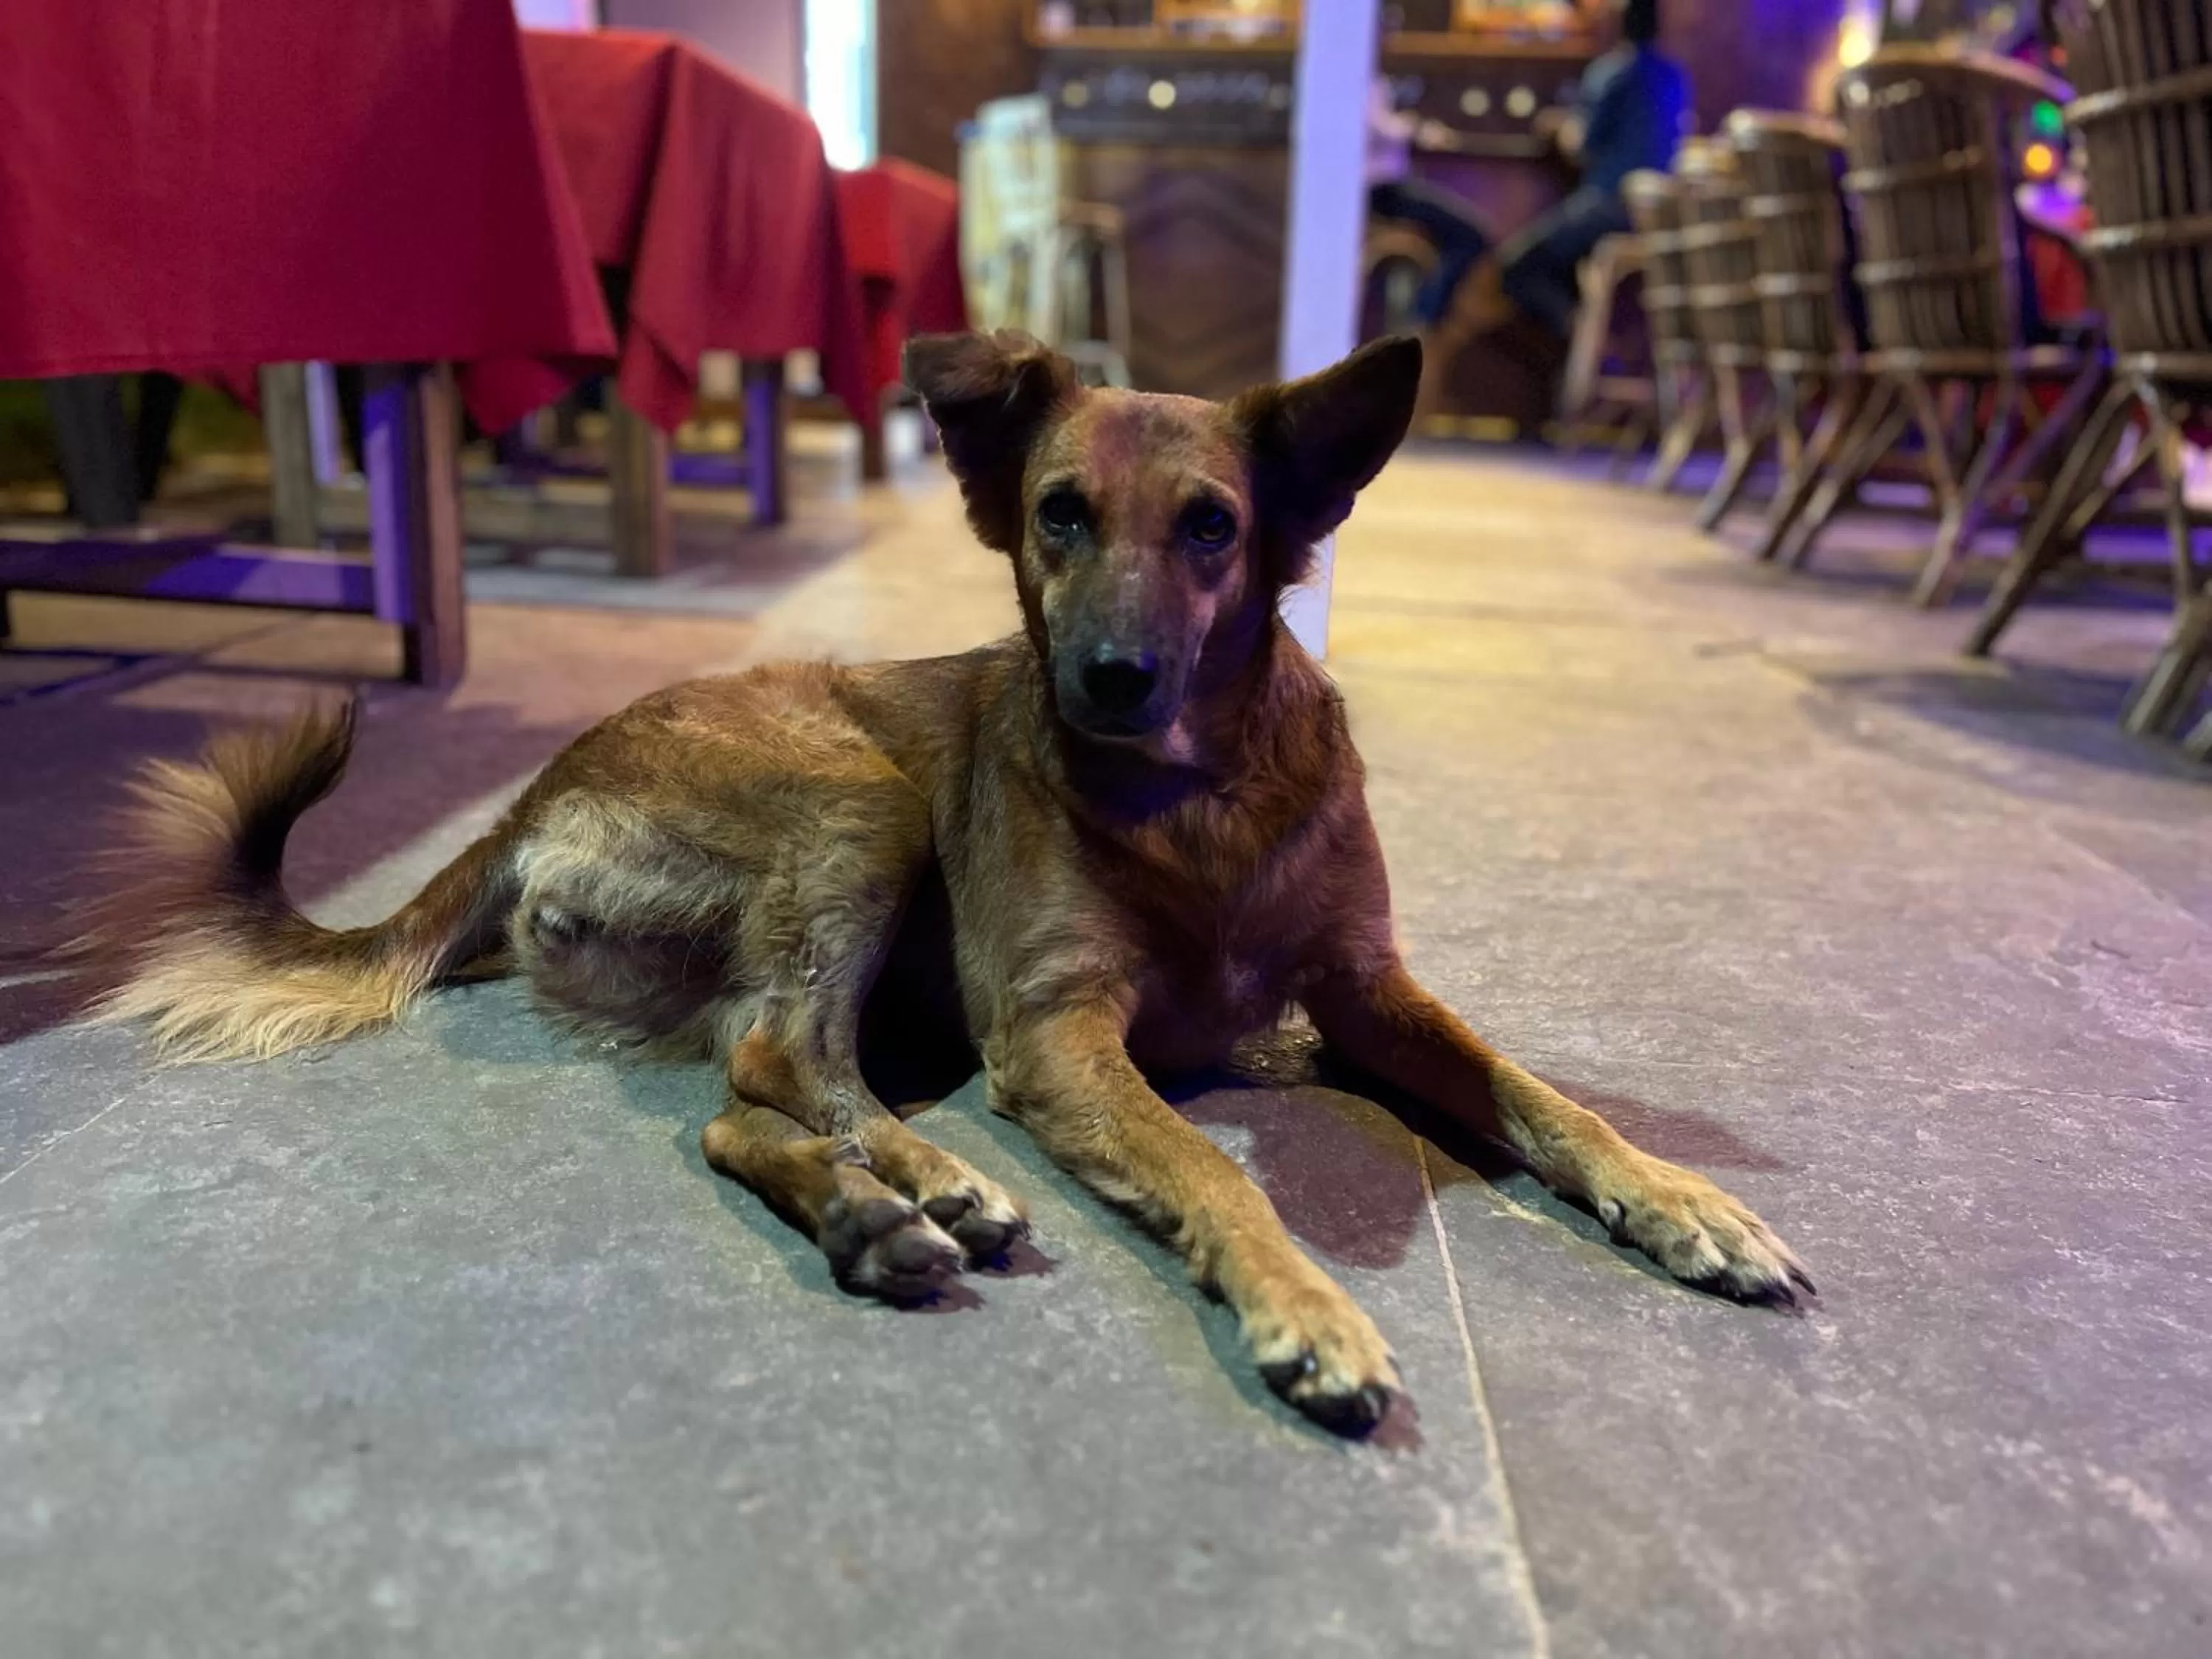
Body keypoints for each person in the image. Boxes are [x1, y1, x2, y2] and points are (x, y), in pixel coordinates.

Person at [1498, 0, 1690, 340]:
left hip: (1608, 204)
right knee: (1573, 268)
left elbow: (1582, 147)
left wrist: (1559, 127)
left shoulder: (1612, 72)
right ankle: (1594, 334)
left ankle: (1582, 335)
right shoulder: (1674, 76)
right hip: (1657, 215)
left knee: (1516, 268)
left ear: (1619, 23)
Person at [1364, 77, 1495, 330]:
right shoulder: (1356, 75)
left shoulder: (1372, 77)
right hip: (1381, 192)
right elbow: (1375, 125)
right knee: (1467, 237)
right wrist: (1418, 129)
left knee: (1471, 235)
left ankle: (1429, 316)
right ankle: (1426, 320)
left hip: (1388, 188)